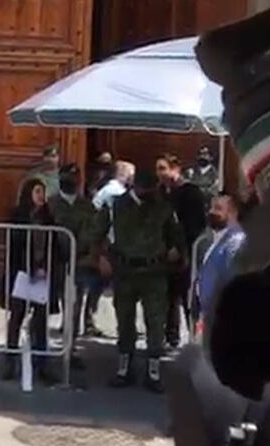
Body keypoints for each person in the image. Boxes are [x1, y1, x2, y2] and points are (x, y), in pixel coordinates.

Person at [91, 170, 186, 393]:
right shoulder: (115, 206)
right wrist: (100, 258)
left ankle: (153, 371)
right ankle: (124, 368)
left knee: (155, 322)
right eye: (146, 190)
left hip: (154, 271)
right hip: (125, 271)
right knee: (124, 319)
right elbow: (96, 234)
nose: (150, 194)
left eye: (153, 190)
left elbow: (176, 234)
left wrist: (178, 251)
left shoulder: (162, 207)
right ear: (135, 187)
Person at [0, 178, 60, 384]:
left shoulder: (48, 218)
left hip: (42, 275)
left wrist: (45, 267)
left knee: (40, 322)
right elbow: (14, 246)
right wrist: (27, 267)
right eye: (37, 191)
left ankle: (42, 364)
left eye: (43, 192)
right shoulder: (19, 216)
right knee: (17, 318)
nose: (41, 196)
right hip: (21, 274)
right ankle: (10, 360)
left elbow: (55, 245)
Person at [155, 153, 207, 347]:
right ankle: (171, 336)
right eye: (158, 169)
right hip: (164, 251)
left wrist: (181, 247)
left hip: (187, 252)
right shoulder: (160, 192)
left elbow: (195, 224)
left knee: (189, 297)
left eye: (163, 168)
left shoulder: (190, 192)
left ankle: (196, 337)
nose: (159, 173)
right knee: (168, 297)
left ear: (175, 168)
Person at [49, 164, 102, 350]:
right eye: (66, 179)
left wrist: (91, 255)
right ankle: (39, 348)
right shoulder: (51, 204)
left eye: (73, 179)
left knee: (74, 305)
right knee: (43, 305)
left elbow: (94, 232)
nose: (70, 183)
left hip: (78, 261)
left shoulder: (86, 206)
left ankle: (69, 348)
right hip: (53, 262)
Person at [193, 192, 245, 335]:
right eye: (211, 207)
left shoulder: (236, 243)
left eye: (218, 208)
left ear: (233, 213)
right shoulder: (216, 240)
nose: (211, 212)